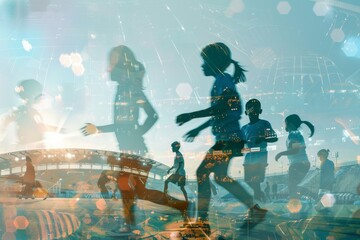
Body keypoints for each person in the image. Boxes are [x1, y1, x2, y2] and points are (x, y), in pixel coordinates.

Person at [81, 45, 187, 233]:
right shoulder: (123, 89)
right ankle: (179, 207)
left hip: (135, 150)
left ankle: (130, 226)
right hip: (131, 149)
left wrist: (136, 134)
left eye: (113, 62)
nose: (109, 67)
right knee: (138, 191)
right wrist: (98, 129)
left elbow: (152, 115)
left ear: (122, 66)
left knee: (128, 188)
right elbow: (123, 125)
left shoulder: (130, 89)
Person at [176, 42, 267, 234]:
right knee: (220, 177)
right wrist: (198, 129)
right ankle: (255, 210)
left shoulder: (223, 80)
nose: (201, 66)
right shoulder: (222, 80)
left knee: (202, 173)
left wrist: (190, 116)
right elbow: (219, 114)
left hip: (228, 140)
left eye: (204, 62)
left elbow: (223, 107)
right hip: (231, 139)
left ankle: (202, 223)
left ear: (213, 62)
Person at [0, 79, 61, 148]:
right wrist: (61, 130)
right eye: (39, 94)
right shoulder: (23, 111)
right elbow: (42, 127)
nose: (42, 97)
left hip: (32, 150)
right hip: (29, 150)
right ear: (31, 95)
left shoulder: (25, 111)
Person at [241, 99, 278, 202]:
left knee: (256, 181)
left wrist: (262, 138)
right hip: (248, 159)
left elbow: (274, 138)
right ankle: (260, 196)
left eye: (256, 109)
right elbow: (240, 143)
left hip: (260, 159)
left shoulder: (264, 124)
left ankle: (258, 203)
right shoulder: (244, 129)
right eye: (250, 109)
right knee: (248, 180)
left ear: (260, 111)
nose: (253, 111)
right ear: (246, 112)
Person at [275, 114, 315, 200]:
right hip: (303, 163)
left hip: (297, 164)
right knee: (294, 186)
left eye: (285, 123)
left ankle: (295, 207)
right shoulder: (297, 134)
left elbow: (295, 150)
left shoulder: (292, 135)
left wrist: (280, 153)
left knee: (292, 187)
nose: (284, 125)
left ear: (290, 124)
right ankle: (313, 196)